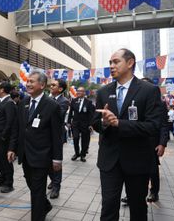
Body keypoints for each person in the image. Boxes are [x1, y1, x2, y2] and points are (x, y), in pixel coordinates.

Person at [92, 48, 162, 221]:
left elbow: (153, 126)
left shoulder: (149, 90)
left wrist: (119, 123)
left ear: (130, 63)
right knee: (108, 207)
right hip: (109, 161)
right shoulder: (103, 92)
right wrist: (104, 123)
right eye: (110, 63)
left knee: (138, 208)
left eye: (116, 62)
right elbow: (95, 123)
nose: (111, 66)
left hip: (137, 160)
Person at [8, 70, 63, 221]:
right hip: (25, 154)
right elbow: (17, 127)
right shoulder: (24, 102)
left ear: (42, 85)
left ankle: (38, 215)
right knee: (31, 184)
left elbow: (57, 136)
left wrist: (57, 159)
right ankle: (45, 205)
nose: (28, 84)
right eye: (28, 81)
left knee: (37, 192)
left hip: (42, 155)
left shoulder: (52, 106)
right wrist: (12, 148)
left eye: (32, 81)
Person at [0, 81, 17, 193]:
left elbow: (10, 123)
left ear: (2, 90)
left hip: (3, 138)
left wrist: (3, 136)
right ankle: (2, 179)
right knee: (0, 160)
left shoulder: (9, 103)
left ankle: (9, 183)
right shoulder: (3, 101)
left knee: (6, 161)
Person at [47, 79, 69, 199]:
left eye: (53, 85)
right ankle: (53, 180)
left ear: (60, 89)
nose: (51, 86)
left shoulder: (64, 101)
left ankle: (56, 187)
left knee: (56, 162)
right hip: (46, 135)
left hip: (56, 136)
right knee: (47, 160)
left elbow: (58, 116)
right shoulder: (48, 98)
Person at [67, 86, 95, 162]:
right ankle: (76, 153)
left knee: (85, 140)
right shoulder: (74, 101)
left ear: (84, 92)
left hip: (85, 124)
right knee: (75, 138)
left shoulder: (88, 102)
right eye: (78, 91)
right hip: (75, 124)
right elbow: (70, 112)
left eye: (80, 91)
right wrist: (69, 122)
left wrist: (91, 124)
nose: (78, 92)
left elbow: (91, 114)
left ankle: (83, 155)